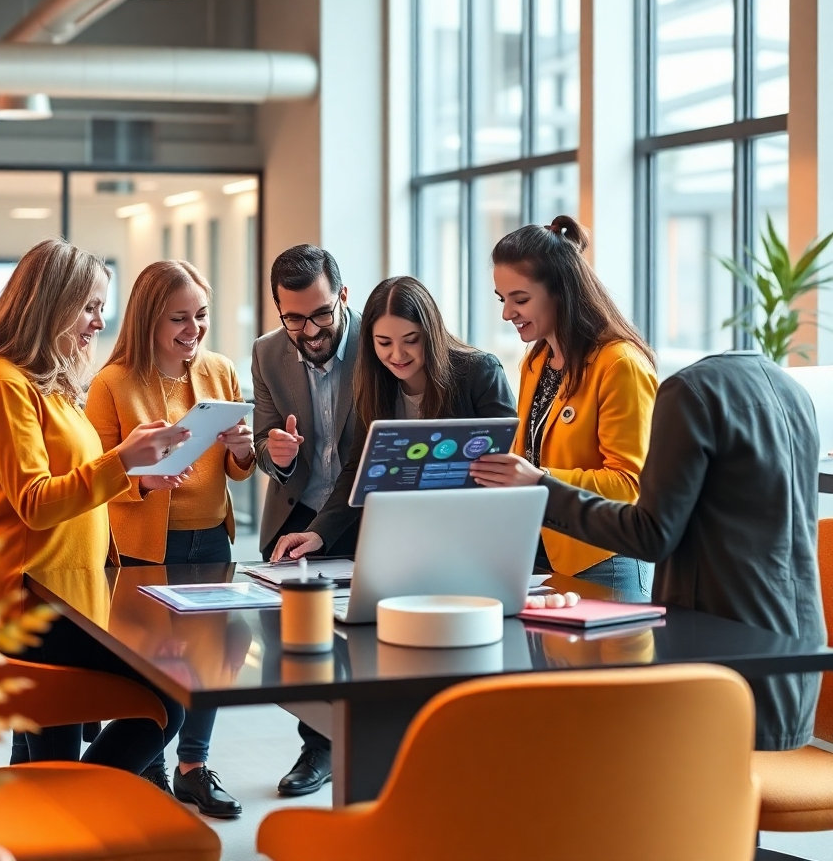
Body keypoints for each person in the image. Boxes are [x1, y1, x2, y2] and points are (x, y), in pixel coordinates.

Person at [484, 350, 824, 751]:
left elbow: (651, 534)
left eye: (519, 300)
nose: (508, 314)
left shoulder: (689, 394)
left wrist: (543, 487)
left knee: (593, 756)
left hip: (727, 666)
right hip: (792, 653)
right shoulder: (791, 391)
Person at [0, 238, 189, 774]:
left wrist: (137, 479)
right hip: (28, 601)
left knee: (50, 748)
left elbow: (73, 485)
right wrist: (122, 460)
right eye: (90, 307)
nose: (100, 323)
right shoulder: (2, 385)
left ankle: (58, 813)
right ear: (49, 303)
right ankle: (85, 800)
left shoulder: (45, 382)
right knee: (167, 699)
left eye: (103, 307)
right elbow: (35, 502)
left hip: (62, 592)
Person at [86, 260, 254, 818]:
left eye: (201, 315)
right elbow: (98, 476)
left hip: (211, 538)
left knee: (209, 663)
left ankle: (194, 767)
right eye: (179, 318)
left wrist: (241, 449)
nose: (194, 328)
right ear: (148, 320)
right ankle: (150, 767)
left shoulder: (220, 370)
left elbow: (238, 470)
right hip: (143, 544)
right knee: (148, 665)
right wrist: (142, 478)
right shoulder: (113, 383)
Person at [469, 215, 658, 597]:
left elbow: (630, 485)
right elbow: (528, 455)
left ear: (562, 292)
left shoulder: (619, 363)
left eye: (520, 299)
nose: (507, 313)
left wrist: (538, 479)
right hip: (542, 558)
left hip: (608, 559)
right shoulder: (536, 361)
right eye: (502, 299)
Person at [271, 274, 516, 560]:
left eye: (411, 340)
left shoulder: (480, 372)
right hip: (403, 540)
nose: (397, 355)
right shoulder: (374, 384)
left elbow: (510, 460)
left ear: (431, 333)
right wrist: (318, 532)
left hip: (473, 538)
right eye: (384, 343)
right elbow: (360, 470)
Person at [251, 244, 360, 797]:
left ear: (342, 295)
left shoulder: (379, 346)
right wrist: (278, 454)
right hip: (298, 515)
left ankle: (362, 748)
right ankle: (318, 746)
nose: (309, 329)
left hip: (363, 513)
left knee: (363, 643)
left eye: (320, 313)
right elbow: (263, 445)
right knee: (303, 652)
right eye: (293, 317)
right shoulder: (269, 353)